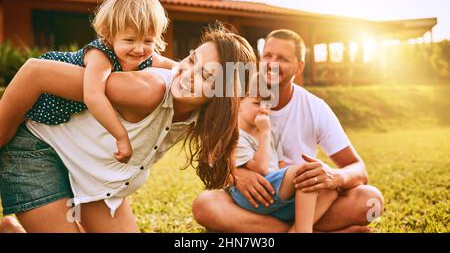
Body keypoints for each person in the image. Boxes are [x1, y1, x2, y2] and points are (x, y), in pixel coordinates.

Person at [0, 25, 257, 232]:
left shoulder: (204, 112)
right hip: (37, 149)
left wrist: (240, 172)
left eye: (207, 76)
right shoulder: (147, 90)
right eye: (191, 59)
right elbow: (36, 72)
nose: (188, 73)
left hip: (96, 178)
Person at [192, 29, 385, 233]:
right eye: (267, 55)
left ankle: (288, 229)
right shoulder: (237, 97)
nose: (272, 64)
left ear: (299, 67)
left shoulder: (315, 107)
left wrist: (334, 176)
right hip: (251, 202)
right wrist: (236, 173)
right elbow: (210, 160)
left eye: (282, 58)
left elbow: (358, 169)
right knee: (204, 205)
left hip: (305, 203)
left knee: (371, 199)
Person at [0, 0, 171, 163]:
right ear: (109, 35)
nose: (140, 49)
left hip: (56, 116)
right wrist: (121, 136)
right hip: (40, 94)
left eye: (148, 41)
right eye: (129, 40)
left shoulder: (146, 56)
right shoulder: (101, 55)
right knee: (3, 133)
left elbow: (178, 67)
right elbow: (93, 96)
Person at [229, 86, 338, 233]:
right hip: (252, 194)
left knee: (328, 190)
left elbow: (280, 164)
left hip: (274, 191)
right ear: (238, 104)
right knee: (305, 172)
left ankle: (295, 230)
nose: (263, 109)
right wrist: (264, 132)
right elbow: (260, 168)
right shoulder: (236, 136)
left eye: (266, 105)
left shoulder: (272, 131)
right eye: (256, 103)